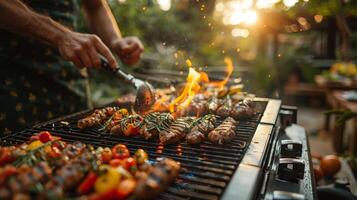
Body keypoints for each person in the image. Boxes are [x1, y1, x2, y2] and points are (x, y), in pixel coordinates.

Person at [0, 0, 144, 134]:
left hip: (72, 83)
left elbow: (95, 6)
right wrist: (60, 35)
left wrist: (115, 40)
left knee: (82, 145)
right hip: (15, 83)